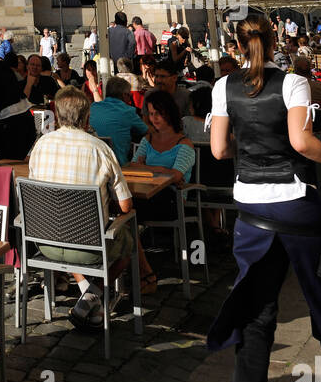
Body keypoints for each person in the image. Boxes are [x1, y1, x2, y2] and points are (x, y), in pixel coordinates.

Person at [207, 11, 321, 382]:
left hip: (250, 205)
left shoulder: (222, 86)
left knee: (256, 310)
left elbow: (218, 151)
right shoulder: (294, 82)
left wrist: (245, 147)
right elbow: (301, 143)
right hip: (295, 201)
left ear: (238, 44)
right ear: (274, 39)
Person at [28, 86, 151, 328]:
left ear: (57, 115)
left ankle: (88, 297)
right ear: (87, 118)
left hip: (44, 241)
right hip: (88, 246)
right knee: (127, 240)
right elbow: (126, 206)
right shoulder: (100, 149)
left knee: (69, 223)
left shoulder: (40, 146)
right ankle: (93, 293)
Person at [133, 88, 195, 289]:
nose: (154, 118)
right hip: (146, 195)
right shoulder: (148, 140)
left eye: (158, 113)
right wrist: (160, 170)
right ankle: (142, 270)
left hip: (171, 200)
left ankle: (143, 272)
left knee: (125, 216)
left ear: (169, 112)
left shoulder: (184, 143)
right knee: (124, 214)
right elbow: (132, 166)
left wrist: (148, 168)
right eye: (151, 114)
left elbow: (176, 175)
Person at [89, 76, 146, 164]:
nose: (130, 100)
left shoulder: (93, 108)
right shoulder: (128, 111)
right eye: (129, 96)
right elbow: (146, 131)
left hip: (93, 162)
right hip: (118, 165)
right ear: (124, 95)